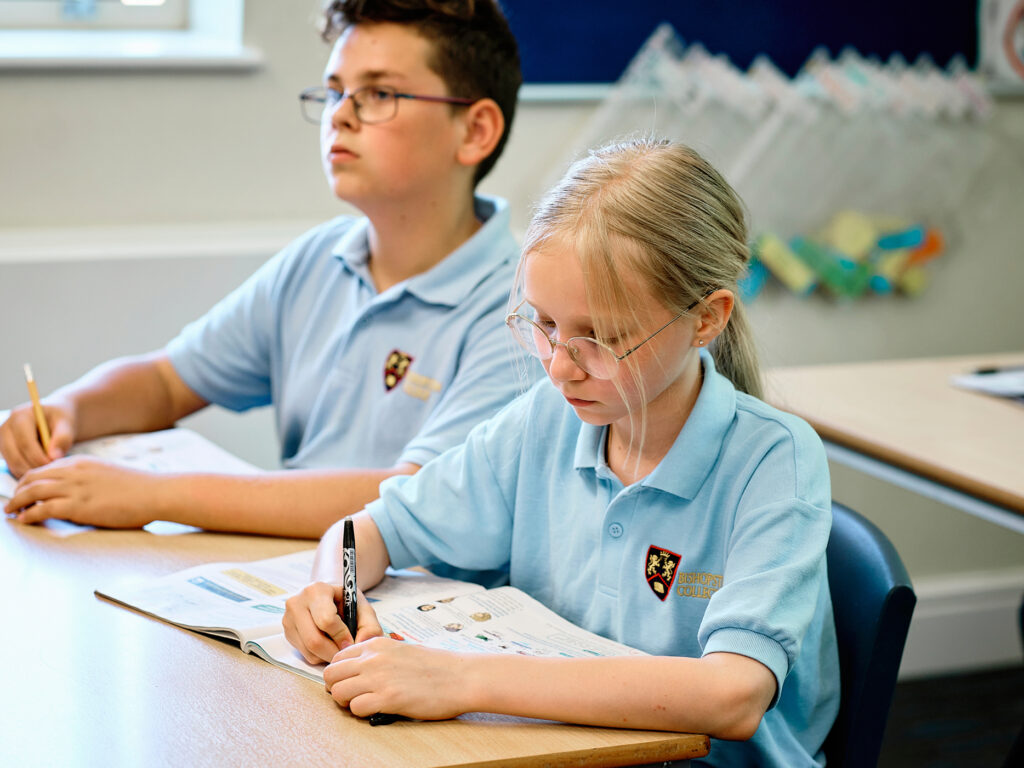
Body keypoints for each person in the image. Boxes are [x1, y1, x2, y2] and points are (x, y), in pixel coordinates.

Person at [282, 138, 840, 766]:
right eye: (544, 325)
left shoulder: (774, 460)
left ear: (705, 319)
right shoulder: (549, 419)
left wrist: (463, 679)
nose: (558, 368)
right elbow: (368, 530)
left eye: (600, 339)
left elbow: (732, 696)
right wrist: (332, 588)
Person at [2, 0, 530, 540]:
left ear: (475, 131)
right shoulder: (319, 259)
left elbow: (413, 497)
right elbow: (166, 381)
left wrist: (153, 494)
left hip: (408, 605)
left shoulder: (521, 311)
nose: (340, 115)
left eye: (378, 94)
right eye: (333, 92)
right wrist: (68, 410)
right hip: (293, 580)